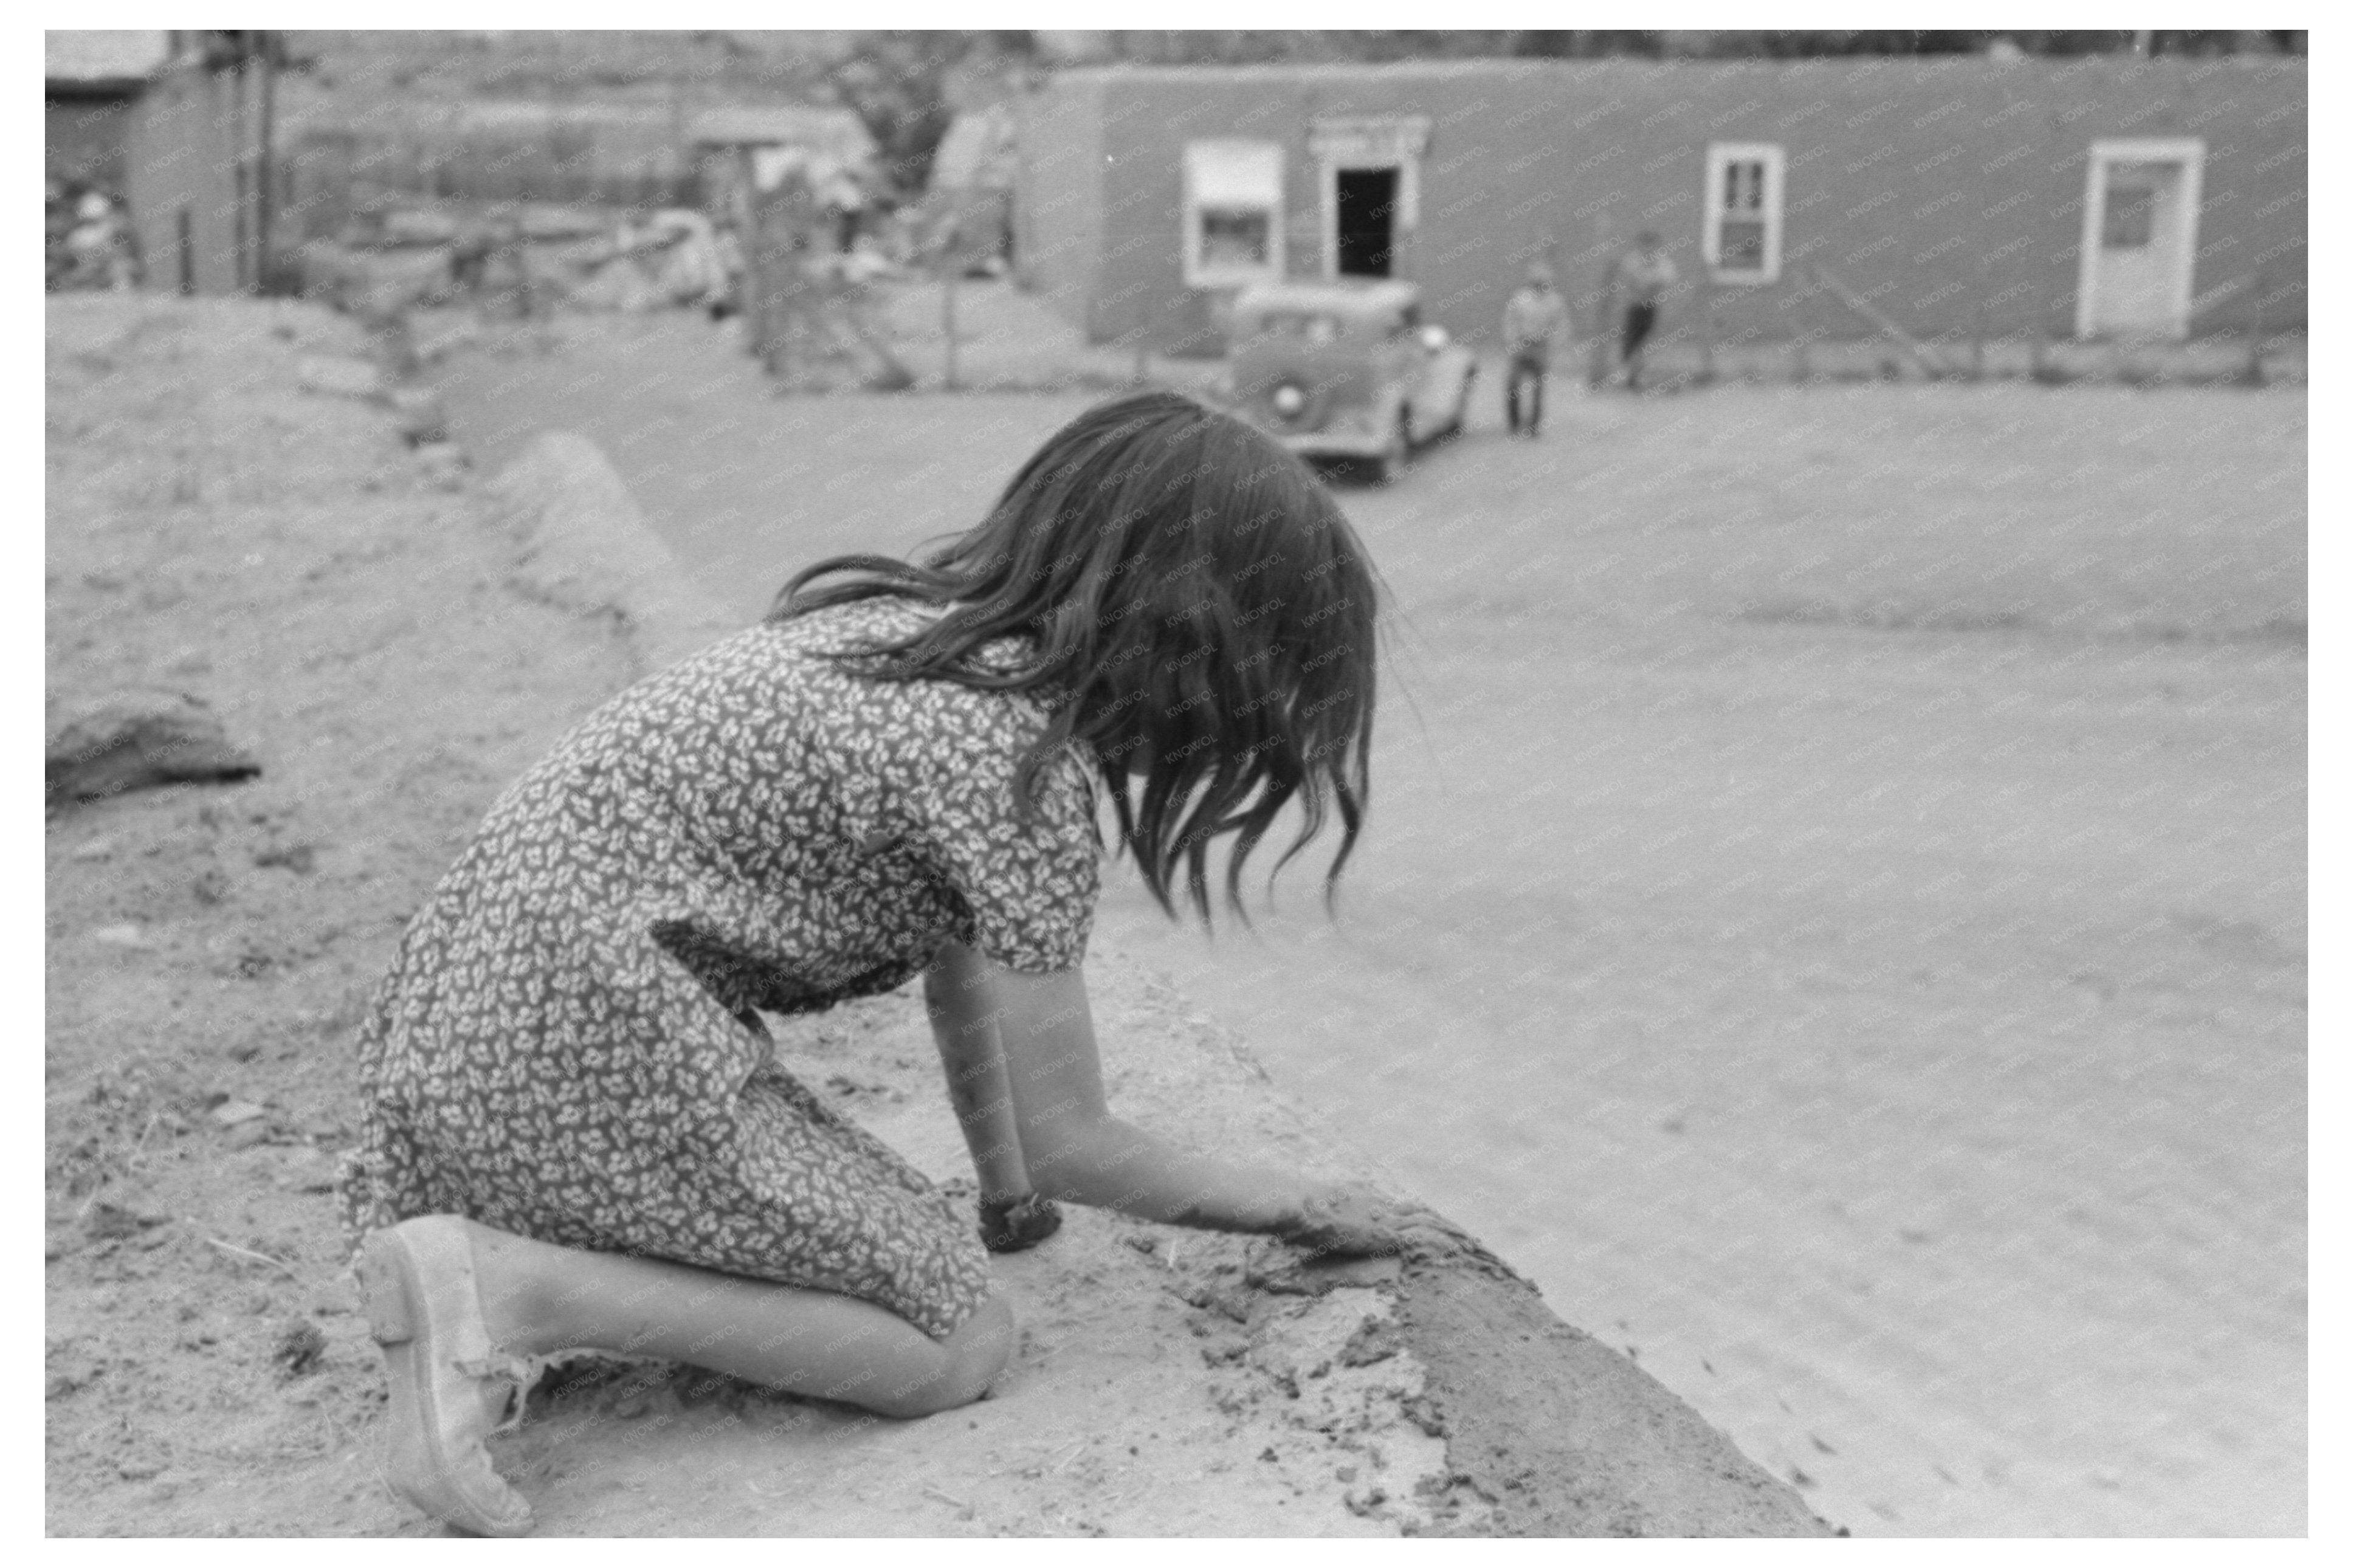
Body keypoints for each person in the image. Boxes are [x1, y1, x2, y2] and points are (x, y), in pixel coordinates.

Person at [339, 391, 1460, 1536]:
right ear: (1192, 646)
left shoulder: (918, 648)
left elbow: (958, 968)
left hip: (476, 1037)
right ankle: (507, 1290)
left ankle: (489, 1274)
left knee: (913, 1267)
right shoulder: (1019, 772)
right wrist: (1304, 1205)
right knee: (957, 1344)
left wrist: (1004, 1192)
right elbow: (1081, 1139)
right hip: (587, 1043)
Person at [1500, 261, 1571, 438]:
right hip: (1522, 345)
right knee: (1513, 384)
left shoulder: (1555, 301)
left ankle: (1534, 426)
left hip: (1542, 346)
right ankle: (1514, 422)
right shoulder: (1520, 298)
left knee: (1538, 388)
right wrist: (1512, 342)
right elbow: (1510, 320)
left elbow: (1562, 325)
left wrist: (1555, 345)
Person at [1609, 231, 1678, 390]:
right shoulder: (1633, 261)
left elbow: (1666, 278)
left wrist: (1650, 280)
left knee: (1644, 341)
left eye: (1651, 246)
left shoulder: (1662, 262)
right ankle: (1630, 375)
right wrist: (1649, 280)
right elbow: (1635, 280)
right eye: (1645, 245)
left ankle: (1637, 375)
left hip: (1651, 307)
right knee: (1630, 341)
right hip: (1634, 306)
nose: (1648, 249)